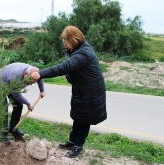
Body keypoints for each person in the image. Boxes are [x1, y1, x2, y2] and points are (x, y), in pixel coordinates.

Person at [31, 26, 107, 158]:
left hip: (91, 92)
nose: (64, 44)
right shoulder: (79, 48)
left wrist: (40, 73)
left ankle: (78, 145)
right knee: (78, 116)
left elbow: (64, 67)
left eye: (66, 41)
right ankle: (72, 141)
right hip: (82, 89)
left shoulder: (83, 53)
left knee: (85, 119)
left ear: (73, 39)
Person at [0, 62, 45, 144]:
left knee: (18, 105)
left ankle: (12, 128)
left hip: (9, 82)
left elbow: (39, 78)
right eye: (29, 81)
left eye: (32, 83)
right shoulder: (16, 77)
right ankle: (3, 135)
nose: (30, 84)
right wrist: (28, 103)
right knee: (3, 109)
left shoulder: (33, 72)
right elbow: (16, 95)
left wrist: (42, 90)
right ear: (25, 74)